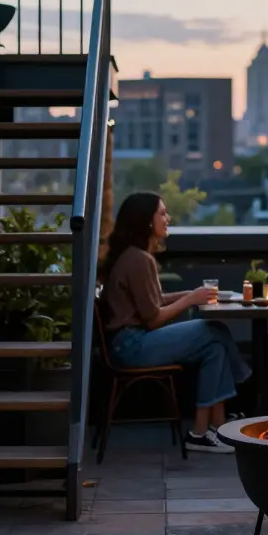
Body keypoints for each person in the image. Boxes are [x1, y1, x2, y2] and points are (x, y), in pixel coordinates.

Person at [99, 191, 251, 453]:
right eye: (162, 213)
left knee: (214, 348)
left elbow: (153, 300)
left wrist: (190, 294)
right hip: (133, 346)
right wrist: (191, 299)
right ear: (147, 221)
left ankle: (205, 431)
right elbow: (153, 318)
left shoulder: (132, 256)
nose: (167, 218)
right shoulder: (138, 259)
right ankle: (244, 379)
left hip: (130, 343)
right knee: (213, 329)